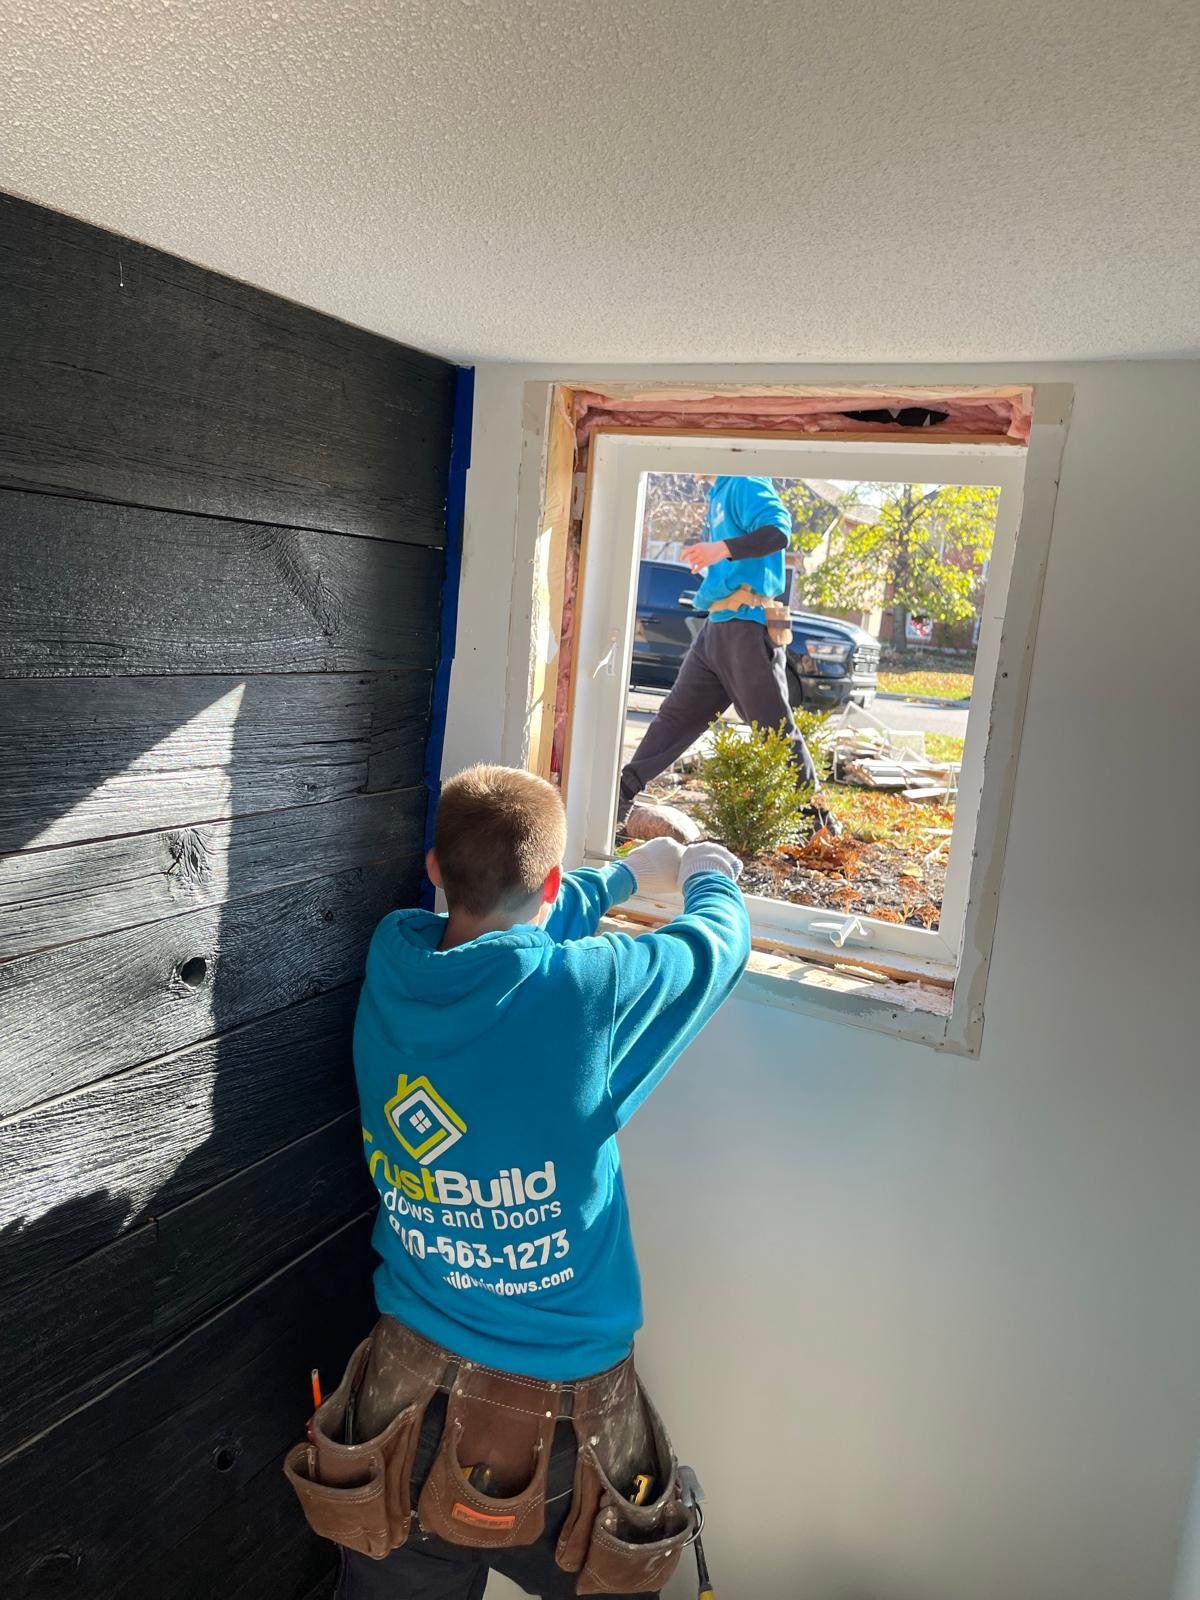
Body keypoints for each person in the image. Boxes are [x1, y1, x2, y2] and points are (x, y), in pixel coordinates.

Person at [286, 764, 749, 1599]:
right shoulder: (589, 991)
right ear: (551, 878)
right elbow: (713, 948)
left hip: (401, 1405)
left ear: (433, 869)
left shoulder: (396, 960)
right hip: (575, 1433)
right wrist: (705, 869)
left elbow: (504, 925)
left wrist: (618, 878)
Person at [619, 474, 832, 829]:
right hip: (716, 627)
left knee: (773, 730)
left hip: (747, 626)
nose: (689, 469)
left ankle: (820, 826)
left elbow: (778, 532)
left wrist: (721, 549)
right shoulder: (717, 494)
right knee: (675, 717)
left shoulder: (744, 481)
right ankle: (622, 795)